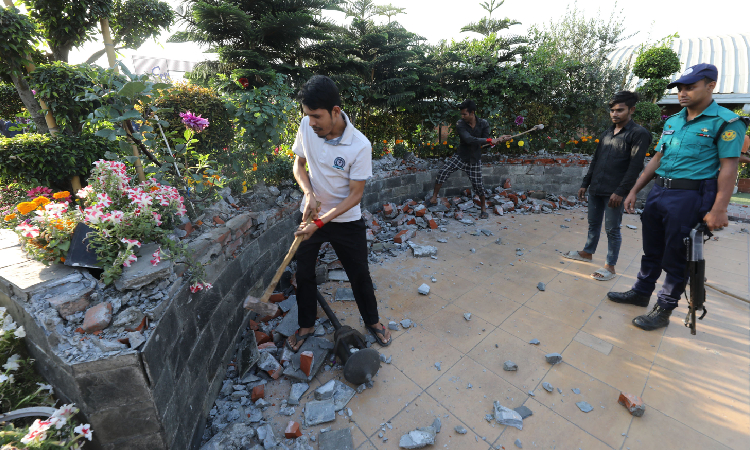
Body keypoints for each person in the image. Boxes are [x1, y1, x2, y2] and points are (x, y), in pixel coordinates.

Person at [608, 63, 748, 331]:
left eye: (690, 87)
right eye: (680, 88)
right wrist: (635, 190)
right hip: (660, 192)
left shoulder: (727, 122)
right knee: (651, 249)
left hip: (690, 196)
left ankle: (664, 307)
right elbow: (658, 158)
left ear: (710, 86)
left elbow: (729, 166)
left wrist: (719, 208)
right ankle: (641, 292)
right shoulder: (673, 121)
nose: (683, 93)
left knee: (677, 256)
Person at [286, 75, 391, 351]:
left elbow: (355, 195)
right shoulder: (307, 127)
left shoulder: (359, 145)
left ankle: (373, 321)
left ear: (335, 111)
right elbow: (299, 166)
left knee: (359, 273)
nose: (311, 122)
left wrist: (320, 222)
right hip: (311, 216)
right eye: (307, 116)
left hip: (344, 219)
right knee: (304, 272)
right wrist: (308, 194)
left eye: (316, 116)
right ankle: (307, 324)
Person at [562, 91, 652, 281]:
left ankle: (610, 267)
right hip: (596, 188)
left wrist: (621, 191)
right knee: (593, 224)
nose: (615, 114)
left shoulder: (639, 134)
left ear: (631, 110)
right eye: (612, 110)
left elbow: (635, 166)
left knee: (612, 229)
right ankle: (587, 252)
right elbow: (596, 160)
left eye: (620, 110)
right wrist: (585, 183)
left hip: (614, 192)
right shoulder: (607, 133)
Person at [427, 100, 511, 218]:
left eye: (464, 114)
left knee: (479, 186)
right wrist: (490, 140)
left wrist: (497, 141)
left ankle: (483, 208)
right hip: (461, 156)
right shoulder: (460, 124)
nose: (462, 116)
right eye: (461, 114)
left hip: (474, 159)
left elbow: (485, 143)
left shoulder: (483, 124)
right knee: (443, 172)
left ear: (472, 113)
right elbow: (469, 139)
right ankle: (434, 198)